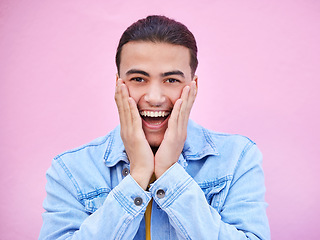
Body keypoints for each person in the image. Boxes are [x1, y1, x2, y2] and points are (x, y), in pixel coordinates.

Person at [39, 15, 270, 240]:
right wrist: (138, 176)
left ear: (193, 87)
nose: (155, 97)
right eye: (139, 79)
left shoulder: (237, 157)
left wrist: (170, 173)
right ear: (118, 84)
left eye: (171, 80)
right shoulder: (70, 170)